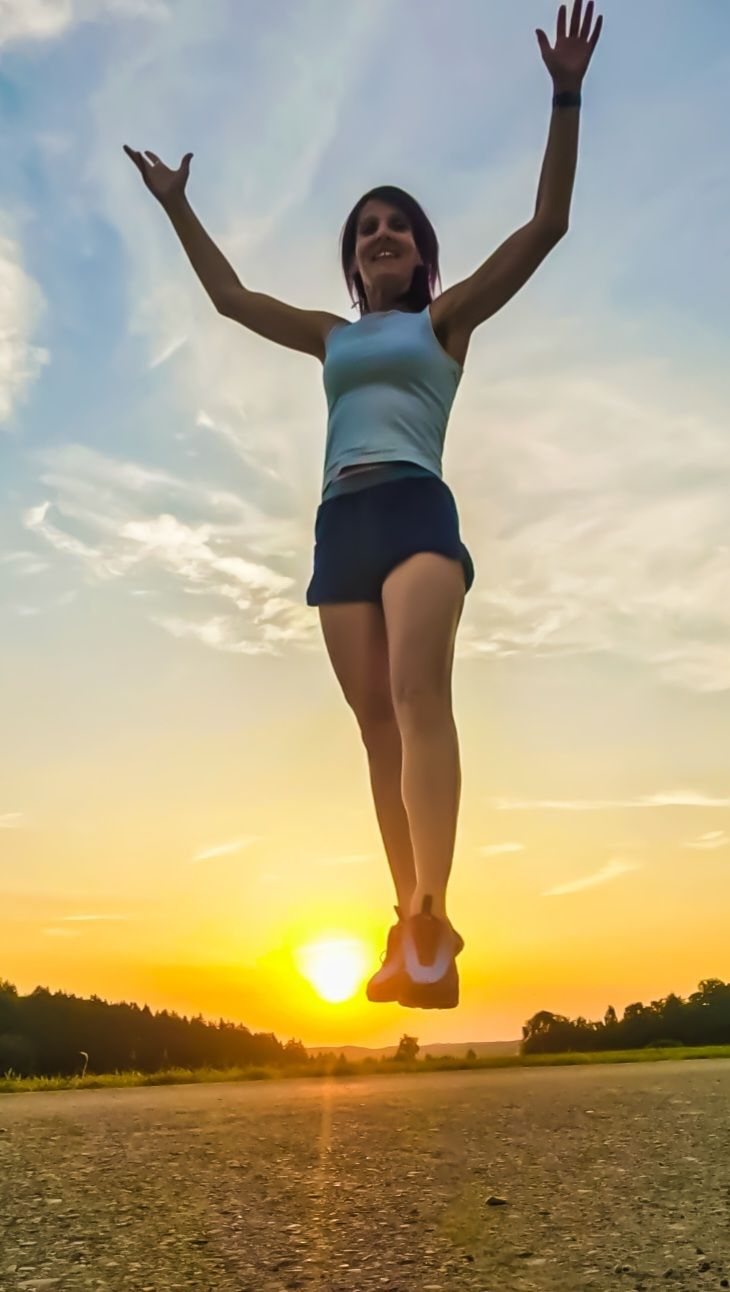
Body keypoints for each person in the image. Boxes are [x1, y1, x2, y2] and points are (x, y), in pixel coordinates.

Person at [123, 0, 601, 1013]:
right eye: (367, 229)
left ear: (422, 256)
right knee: (374, 723)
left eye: (398, 226)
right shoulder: (329, 339)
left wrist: (564, 95)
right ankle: (411, 930)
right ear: (353, 262)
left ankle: (431, 909)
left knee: (423, 698)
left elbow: (548, 224)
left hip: (417, 515)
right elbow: (229, 299)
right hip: (338, 528)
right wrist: (175, 204)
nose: (382, 234)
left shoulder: (447, 319)